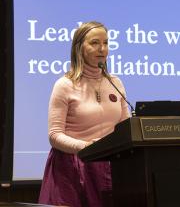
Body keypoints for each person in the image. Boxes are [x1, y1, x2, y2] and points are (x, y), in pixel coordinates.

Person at [38, 21, 130, 207]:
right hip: (71, 169)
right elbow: (54, 135)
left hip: (108, 168)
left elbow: (125, 127)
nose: (102, 48)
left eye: (105, 43)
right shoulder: (65, 85)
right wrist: (87, 148)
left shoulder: (116, 83)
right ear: (79, 48)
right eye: (95, 43)